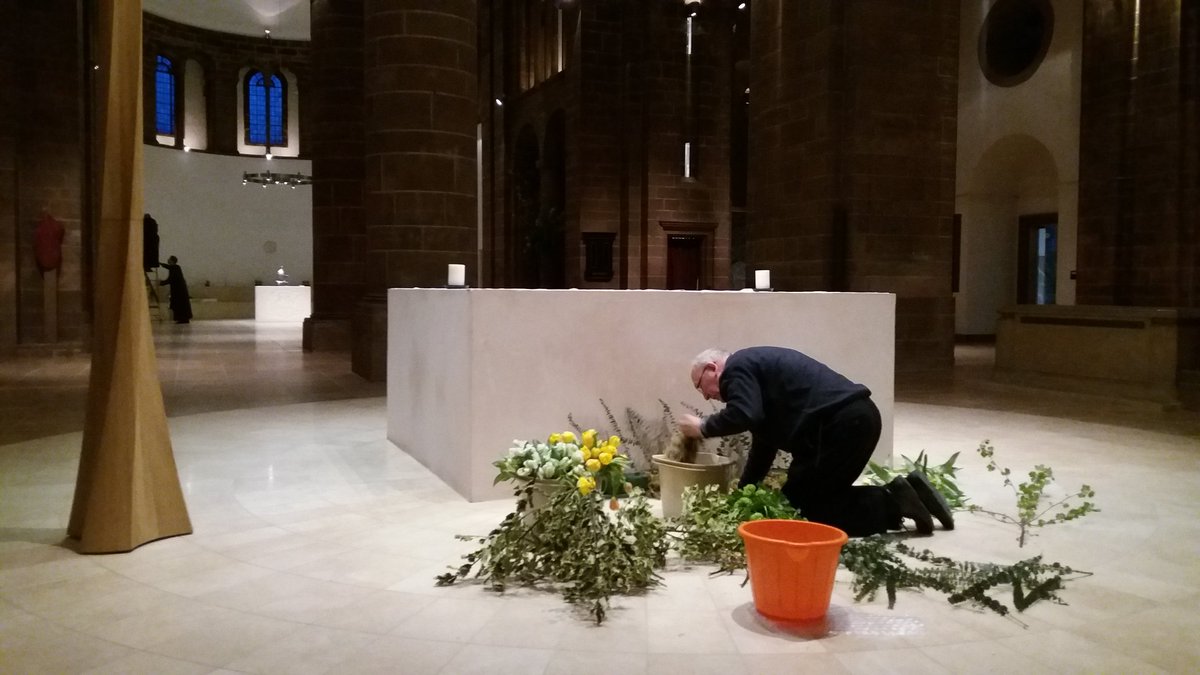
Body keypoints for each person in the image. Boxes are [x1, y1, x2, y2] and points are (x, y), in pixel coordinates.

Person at [677, 346, 953, 537]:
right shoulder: (754, 374)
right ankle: (912, 491)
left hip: (839, 426)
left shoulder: (737, 368)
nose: (706, 396)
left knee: (805, 510)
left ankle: (895, 500)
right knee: (811, 498)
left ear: (712, 368)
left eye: (700, 387)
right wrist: (743, 492)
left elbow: (744, 414)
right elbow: (763, 446)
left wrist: (703, 427)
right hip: (854, 421)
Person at [158, 255, 193, 324]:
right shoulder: (175, 268)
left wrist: (161, 283)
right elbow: (169, 267)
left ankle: (182, 319)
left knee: (179, 305)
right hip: (179, 290)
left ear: (172, 261)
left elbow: (171, 279)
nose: (168, 260)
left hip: (178, 291)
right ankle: (183, 318)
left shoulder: (175, 268)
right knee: (180, 304)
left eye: (169, 259)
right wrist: (161, 264)